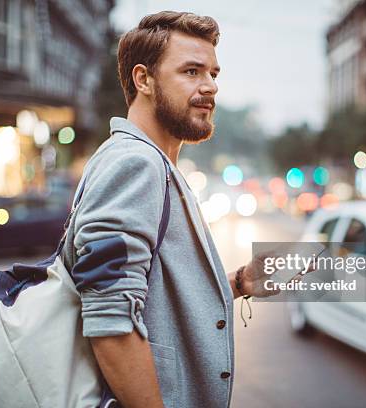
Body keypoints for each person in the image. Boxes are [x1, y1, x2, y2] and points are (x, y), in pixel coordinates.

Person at [64, 11, 279, 408]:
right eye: (192, 71)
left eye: (214, 73)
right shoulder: (135, 164)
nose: (210, 86)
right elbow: (110, 321)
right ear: (143, 79)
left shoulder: (156, 165)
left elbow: (149, 294)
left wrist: (237, 282)